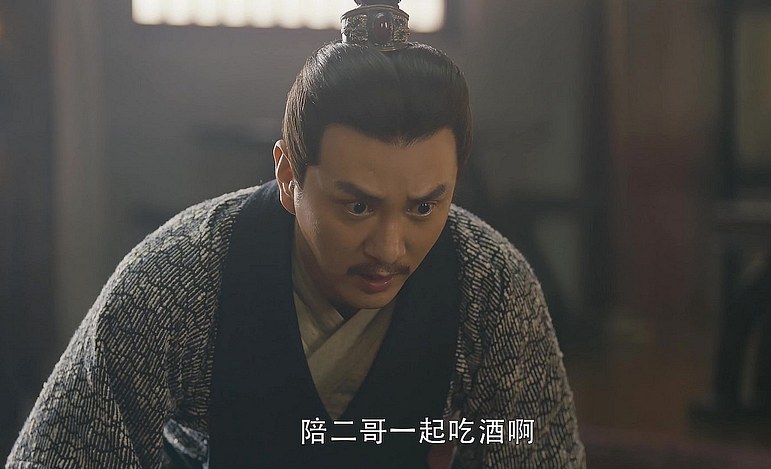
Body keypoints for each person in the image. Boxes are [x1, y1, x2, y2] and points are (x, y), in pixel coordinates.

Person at [6, 1, 584, 467]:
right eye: (357, 206)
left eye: (424, 207)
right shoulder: (177, 278)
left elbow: (533, 447)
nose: (389, 248)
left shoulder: (490, 285)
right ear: (288, 174)